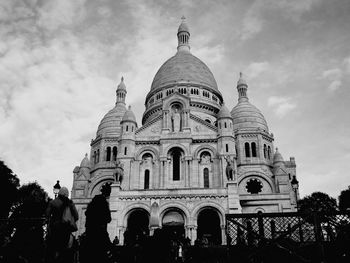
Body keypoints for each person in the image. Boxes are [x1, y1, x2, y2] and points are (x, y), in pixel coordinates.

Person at [46, 186, 78, 263]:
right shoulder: (70, 203)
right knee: (64, 250)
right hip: (65, 229)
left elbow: (47, 215)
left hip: (54, 229)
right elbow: (76, 216)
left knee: (53, 249)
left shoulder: (53, 202)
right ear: (67, 194)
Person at [80, 194, 112, 263]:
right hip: (101, 235)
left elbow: (87, 220)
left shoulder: (90, 208)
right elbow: (109, 219)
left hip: (90, 235)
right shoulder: (104, 207)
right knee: (101, 256)